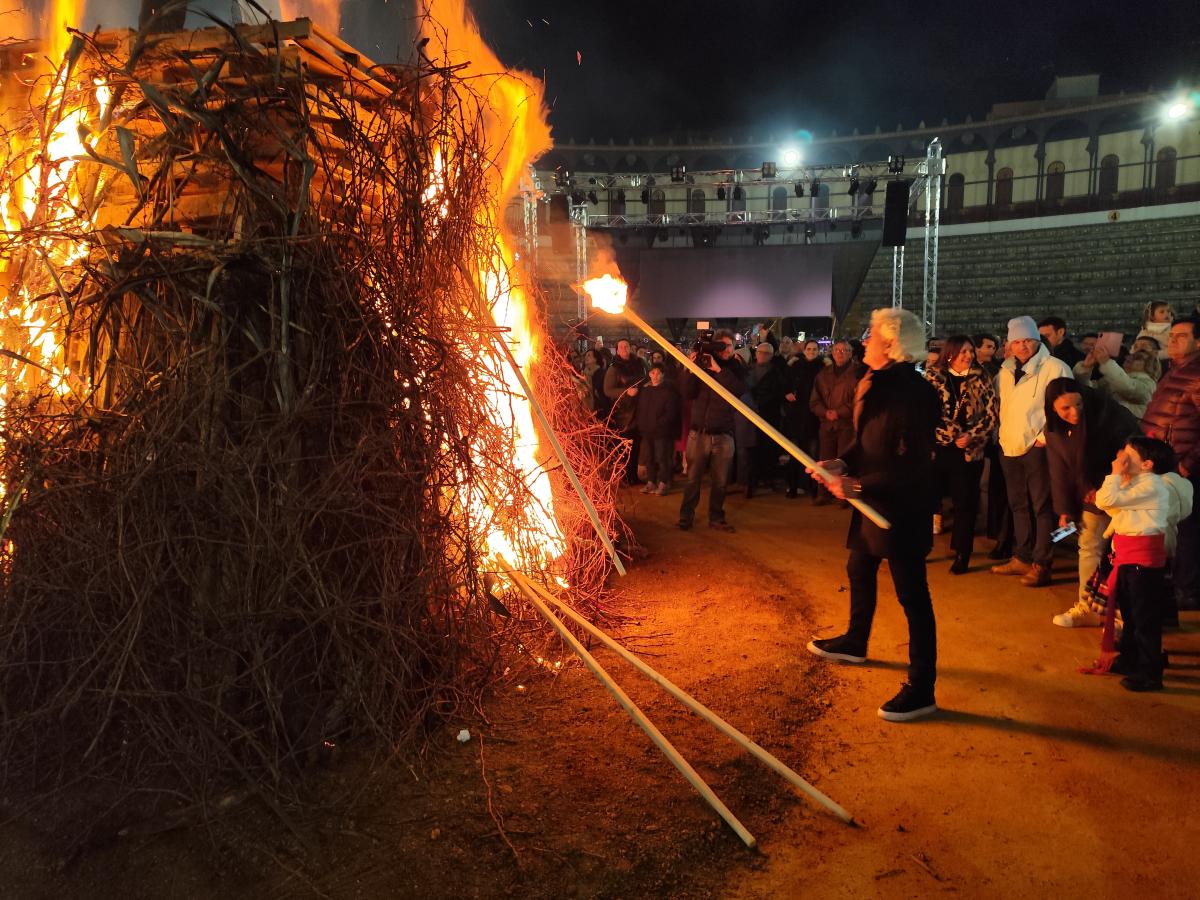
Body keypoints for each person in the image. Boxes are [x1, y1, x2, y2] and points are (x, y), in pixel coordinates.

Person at [805, 308, 942, 722]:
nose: (865, 341)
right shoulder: (875, 383)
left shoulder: (914, 395)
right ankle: (855, 641)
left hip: (902, 507)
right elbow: (867, 442)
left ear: (892, 345)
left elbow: (914, 465)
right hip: (873, 501)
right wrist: (842, 464)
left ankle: (922, 689)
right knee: (858, 567)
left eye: (872, 336)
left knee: (912, 595)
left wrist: (858, 486)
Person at [1043, 377, 1140, 627]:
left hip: (1123, 493)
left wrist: (1107, 485)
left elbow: (1133, 449)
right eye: (1065, 408)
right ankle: (1088, 607)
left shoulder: (1108, 415)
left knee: (1124, 553)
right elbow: (1059, 470)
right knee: (1089, 547)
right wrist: (1064, 509)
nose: (1074, 412)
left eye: (1078, 404)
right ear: (1052, 408)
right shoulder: (1054, 429)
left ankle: (1123, 614)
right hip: (1089, 497)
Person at [992, 316, 1074, 587]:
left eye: (1027, 340)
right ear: (1010, 345)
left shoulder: (1055, 368)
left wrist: (1043, 438)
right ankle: (1022, 555)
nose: (1023, 346)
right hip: (1010, 445)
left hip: (1037, 448)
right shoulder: (1004, 371)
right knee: (1018, 504)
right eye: (1017, 341)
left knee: (1042, 506)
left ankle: (1042, 562)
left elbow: (1066, 407)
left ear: (1037, 341)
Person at [1094, 437, 1180, 691]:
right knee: (1131, 615)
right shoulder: (1136, 484)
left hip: (1143, 562)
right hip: (1129, 559)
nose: (1121, 458)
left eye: (1127, 456)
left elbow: (1106, 501)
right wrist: (1118, 478)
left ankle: (1150, 672)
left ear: (1146, 464)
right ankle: (1132, 659)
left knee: (1145, 620)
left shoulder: (1152, 486)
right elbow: (1106, 502)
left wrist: (1113, 474)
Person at [1141, 316, 1200, 614]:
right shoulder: (1174, 371)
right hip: (1165, 461)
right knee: (1173, 526)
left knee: (1187, 528)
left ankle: (1186, 589)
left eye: (1182, 336)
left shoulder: (1197, 373)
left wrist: (1189, 462)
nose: (1173, 340)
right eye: (1172, 335)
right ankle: (1177, 585)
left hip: (1184, 464)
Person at [925, 335, 999, 574]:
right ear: (951, 353)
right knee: (928, 501)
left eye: (970, 351)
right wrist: (951, 433)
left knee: (964, 503)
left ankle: (962, 552)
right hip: (938, 449)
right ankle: (921, 547)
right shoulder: (934, 377)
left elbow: (991, 415)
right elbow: (925, 413)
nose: (968, 355)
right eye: (963, 351)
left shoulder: (983, 378)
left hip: (969, 451)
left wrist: (972, 436)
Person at [677, 331, 747, 533]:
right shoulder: (701, 367)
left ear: (734, 348)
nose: (724, 350)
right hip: (698, 433)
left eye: (729, 346)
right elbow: (687, 392)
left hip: (724, 434)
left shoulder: (736, 369)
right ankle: (685, 517)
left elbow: (738, 390)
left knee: (720, 481)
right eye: (720, 346)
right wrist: (690, 369)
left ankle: (716, 517)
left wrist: (718, 370)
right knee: (692, 479)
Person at [809, 340, 862, 505]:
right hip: (826, 425)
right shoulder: (823, 374)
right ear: (832, 352)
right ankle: (823, 494)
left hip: (846, 424)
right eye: (837, 350)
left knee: (844, 461)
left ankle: (844, 496)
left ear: (850, 353)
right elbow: (814, 400)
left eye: (844, 350)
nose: (840, 353)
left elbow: (858, 400)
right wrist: (825, 412)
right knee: (825, 459)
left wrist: (838, 412)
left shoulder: (857, 374)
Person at [781, 340, 824, 498]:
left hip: (814, 416)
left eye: (814, 349)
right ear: (804, 350)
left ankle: (812, 488)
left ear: (818, 351)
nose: (811, 351)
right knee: (795, 453)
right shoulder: (794, 366)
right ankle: (793, 486)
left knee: (813, 455)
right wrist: (787, 393)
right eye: (809, 349)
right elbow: (785, 383)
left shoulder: (823, 367)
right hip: (797, 415)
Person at [1073, 344, 1159, 419]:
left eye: (1138, 357)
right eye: (1130, 355)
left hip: (1130, 432)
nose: (1128, 357)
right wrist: (1085, 367)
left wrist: (1106, 363)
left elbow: (1129, 388)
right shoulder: (1113, 377)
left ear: (1151, 365)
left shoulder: (1149, 384)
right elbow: (1090, 390)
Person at [604, 339, 647, 484]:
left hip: (640, 409)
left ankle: (633, 476)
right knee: (624, 448)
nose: (624, 348)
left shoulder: (640, 364)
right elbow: (608, 390)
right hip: (623, 413)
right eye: (621, 346)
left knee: (636, 446)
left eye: (626, 346)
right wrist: (626, 392)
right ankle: (624, 477)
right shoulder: (614, 368)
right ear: (617, 350)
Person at [747, 341, 787, 497]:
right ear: (756, 353)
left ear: (771, 355)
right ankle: (753, 478)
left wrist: (760, 402)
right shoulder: (748, 370)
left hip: (769, 416)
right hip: (750, 415)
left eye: (766, 353)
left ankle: (767, 477)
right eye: (760, 352)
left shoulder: (777, 373)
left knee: (768, 448)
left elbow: (777, 393)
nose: (762, 355)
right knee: (752, 448)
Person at [635, 363, 680, 495]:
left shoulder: (668, 392)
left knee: (662, 457)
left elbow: (670, 413)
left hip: (661, 432)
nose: (655, 376)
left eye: (658, 373)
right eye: (653, 373)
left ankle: (663, 482)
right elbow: (641, 409)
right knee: (649, 457)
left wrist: (659, 424)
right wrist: (642, 424)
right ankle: (651, 482)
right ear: (649, 374)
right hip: (647, 430)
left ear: (663, 375)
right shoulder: (646, 391)